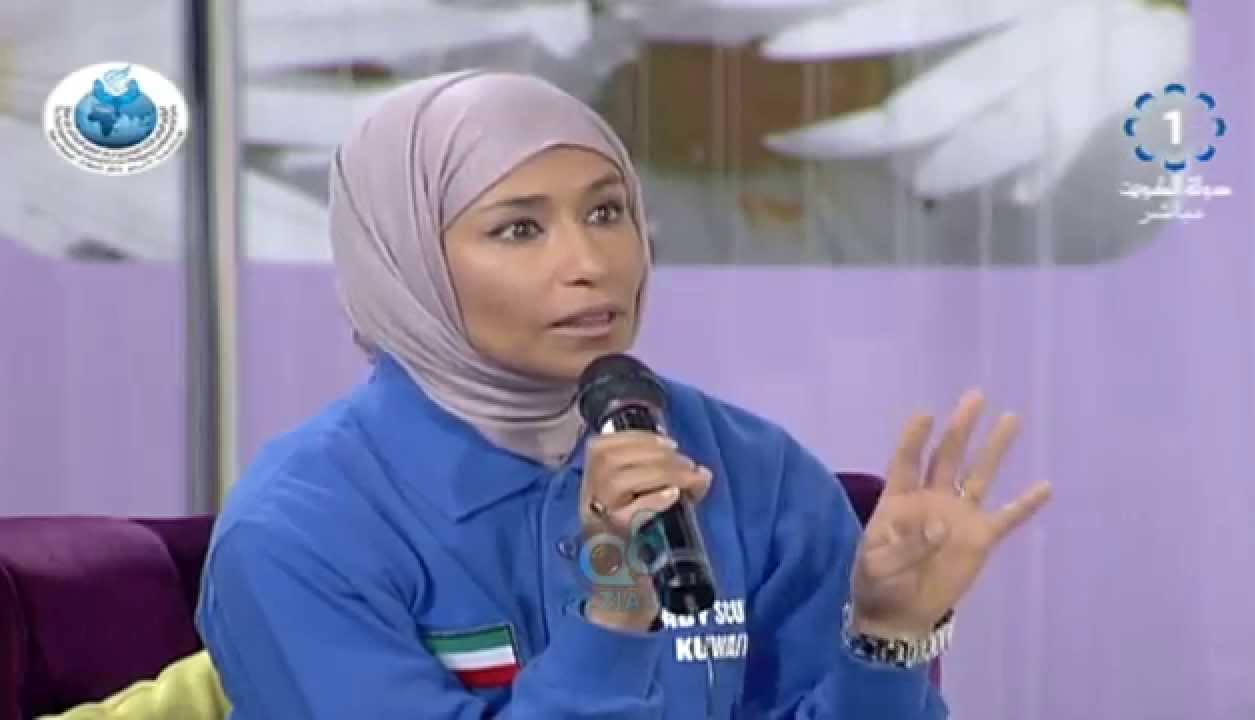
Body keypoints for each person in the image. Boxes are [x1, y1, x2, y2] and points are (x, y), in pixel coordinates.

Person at [196, 69, 1052, 719]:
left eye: (607, 213)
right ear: (407, 261)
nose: (590, 263)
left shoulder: (750, 468)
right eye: (520, 228)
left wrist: (889, 635)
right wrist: (614, 611)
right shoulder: (299, 530)